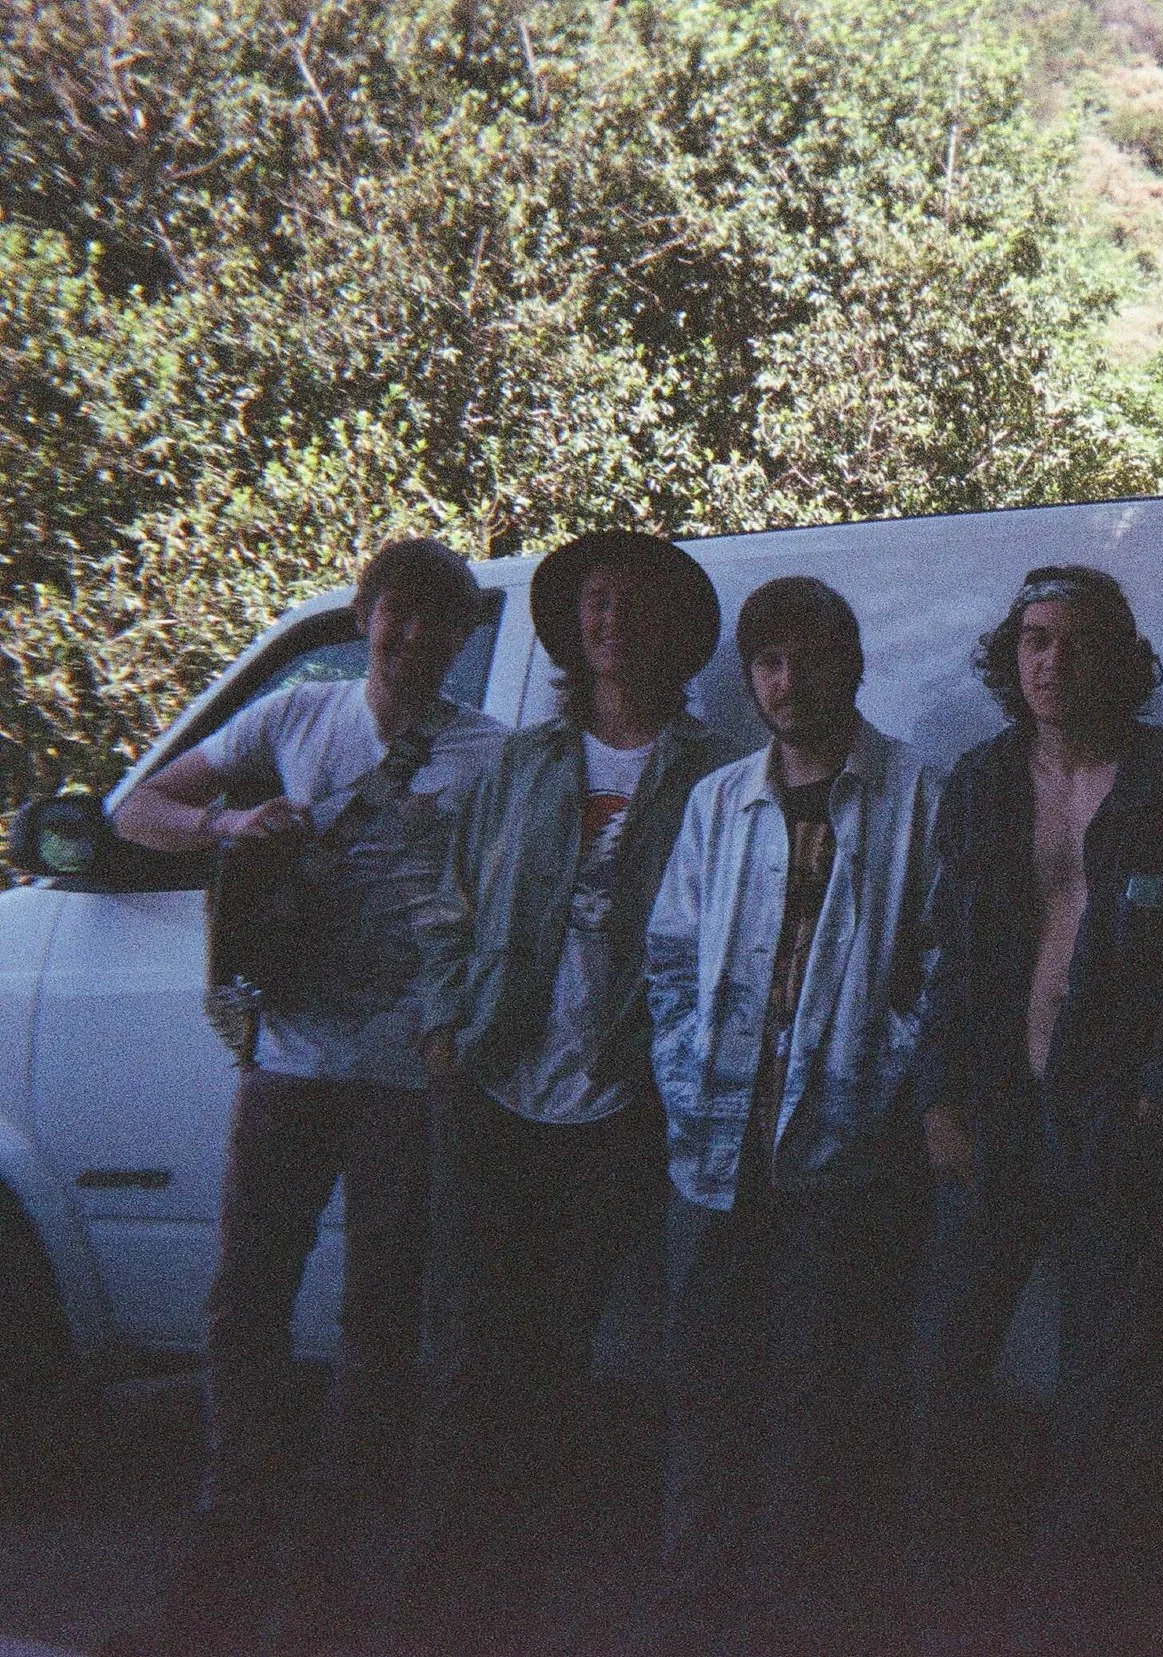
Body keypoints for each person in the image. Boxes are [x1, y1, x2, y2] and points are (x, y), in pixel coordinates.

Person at [108, 537, 506, 1653]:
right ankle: (236, 1522)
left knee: (379, 1321)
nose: (413, 635)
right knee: (244, 1302)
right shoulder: (295, 714)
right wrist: (227, 825)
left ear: (462, 636)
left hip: (410, 1080)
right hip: (285, 1062)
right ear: (367, 615)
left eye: (437, 619)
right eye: (396, 611)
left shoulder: (492, 753)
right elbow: (138, 809)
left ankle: (331, 1552)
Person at [407, 529, 740, 1637]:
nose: (611, 620)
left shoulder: (711, 774)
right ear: (572, 625)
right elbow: (448, 902)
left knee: (559, 1345)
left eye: (634, 604)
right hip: (496, 1082)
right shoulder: (523, 764)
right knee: (465, 1342)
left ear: (674, 633)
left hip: (621, 1099)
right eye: (596, 601)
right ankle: (445, 1580)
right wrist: (443, 1022)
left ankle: (522, 1579)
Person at [907, 566, 1163, 1657]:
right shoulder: (983, 777)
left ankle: (1066, 1623)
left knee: (1106, 1406)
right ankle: (945, 1610)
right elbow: (951, 951)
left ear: (1123, 657)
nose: (1053, 661)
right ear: (1012, 656)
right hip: (994, 1113)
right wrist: (938, 1096)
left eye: (1080, 641)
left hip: (1117, 1122)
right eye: (1035, 639)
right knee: (940, 1377)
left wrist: (1159, 1100)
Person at [642, 576, 943, 1650]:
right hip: (713, 1155)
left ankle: (788, 1614)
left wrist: (877, 1074)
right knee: (702, 1390)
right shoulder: (718, 799)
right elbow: (669, 957)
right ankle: (692, 1609)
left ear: (850, 664)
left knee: (816, 1399)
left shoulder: (919, 793)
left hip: (842, 1157)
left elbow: (940, 967)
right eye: (768, 662)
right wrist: (689, 1078)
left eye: (809, 658)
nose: (788, 681)